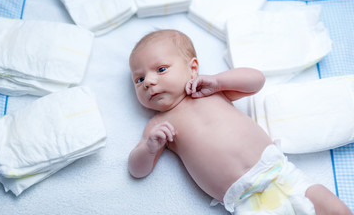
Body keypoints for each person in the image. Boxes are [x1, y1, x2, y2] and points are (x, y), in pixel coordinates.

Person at [128, 29, 352, 214]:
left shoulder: (210, 90)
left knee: (334, 209)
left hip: (280, 173)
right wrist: (149, 147)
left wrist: (219, 81)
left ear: (193, 68)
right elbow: (137, 170)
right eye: (139, 79)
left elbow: (257, 80)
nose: (148, 81)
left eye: (161, 69)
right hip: (246, 202)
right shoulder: (157, 126)